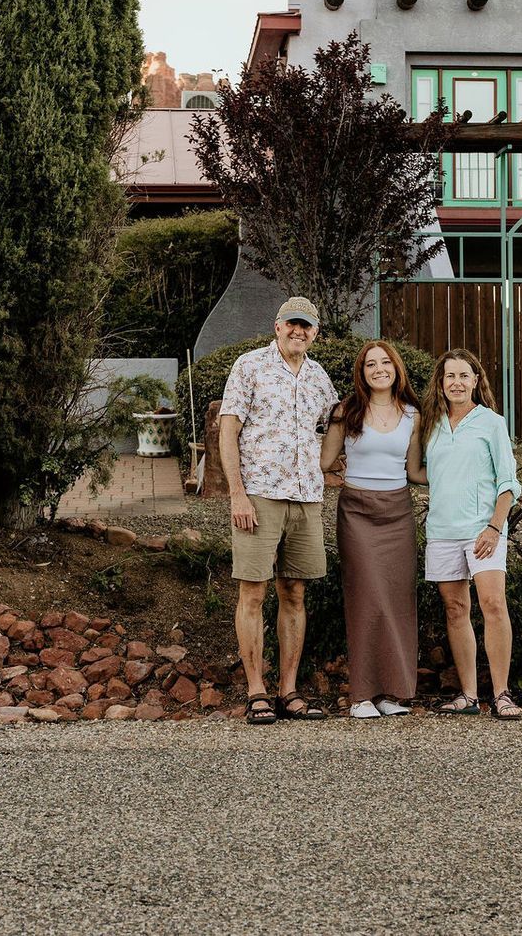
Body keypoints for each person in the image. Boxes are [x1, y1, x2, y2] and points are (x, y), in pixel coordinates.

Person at [218, 296, 340, 725]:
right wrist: (237, 493)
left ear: (315, 333)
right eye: (292, 323)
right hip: (259, 497)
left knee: (295, 593)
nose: (298, 331)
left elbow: (335, 425)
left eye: (306, 326)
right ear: (277, 325)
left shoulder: (319, 377)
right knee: (253, 591)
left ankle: (288, 690)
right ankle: (257, 692)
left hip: (306, 499)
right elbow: (228, 431)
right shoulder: (249, 366)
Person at [416, 348, 522, 720]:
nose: (457, 383)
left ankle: (502, 694)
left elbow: (508, 483)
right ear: (441, 383)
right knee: (455, 609)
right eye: (450, 376)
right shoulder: (431, 424)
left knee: (493, 605)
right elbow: (421, 473)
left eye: (464, 376)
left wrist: (495, 527)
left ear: (476, 381)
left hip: (483, 531)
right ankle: (468, 695)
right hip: (442, 531)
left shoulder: (491, 423)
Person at [320, 340, 421, 719]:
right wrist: (342, 477)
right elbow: (326, 461)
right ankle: (361, 695)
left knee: (397, 600)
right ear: (362, 374)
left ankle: (392, 693)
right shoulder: (347, 411)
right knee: (366, 598)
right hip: (358, 513)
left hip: (398, 514)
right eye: (370, 365)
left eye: (385, 362)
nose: (379, 369)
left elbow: (413, 472)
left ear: (396, 368)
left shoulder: (413, 414)